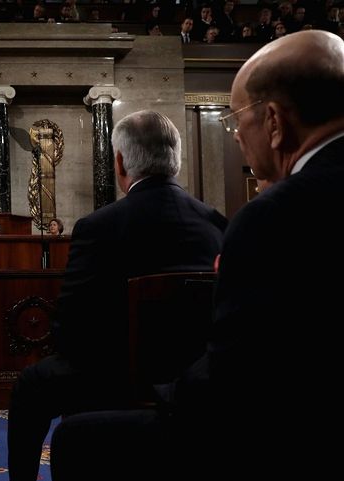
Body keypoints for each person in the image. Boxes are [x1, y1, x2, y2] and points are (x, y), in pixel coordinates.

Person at [7, 110, 227, 481]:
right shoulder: (215, 223)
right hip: (190, 379)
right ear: (176, 158)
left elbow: (70, 329)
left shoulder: (99, 226)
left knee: (30, 386)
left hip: (111, 376)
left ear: (121, 162)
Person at [169, 30, 344, 478]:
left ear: (273, 122)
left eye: (236, 118)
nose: (234, 135)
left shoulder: (275, 216)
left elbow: (233, 386)